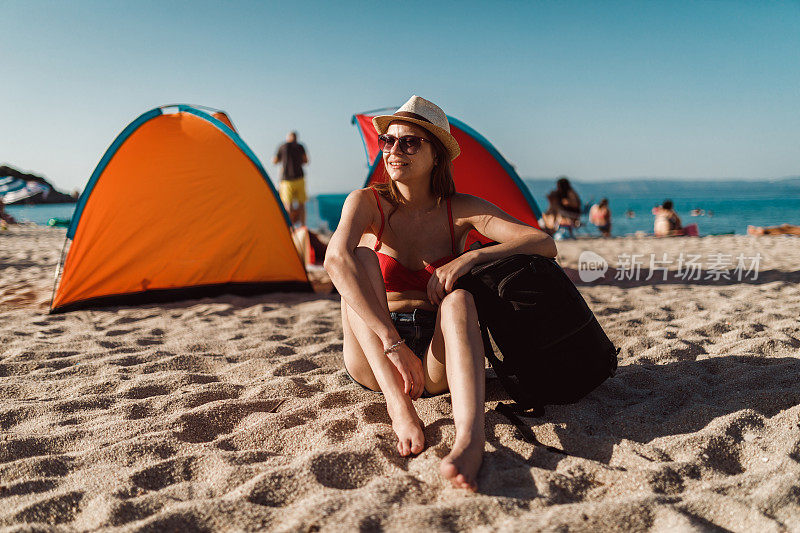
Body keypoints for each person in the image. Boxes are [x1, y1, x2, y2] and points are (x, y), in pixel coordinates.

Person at [324, 96, 556, 491]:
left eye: (410, 142)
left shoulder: (460, 209)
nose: (394, 151)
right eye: (388, 141)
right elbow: (333, 261)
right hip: (376, 353)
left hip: (437, 357)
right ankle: (398, 407)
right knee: (359, 259)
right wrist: (392, 342)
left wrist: (469, 258)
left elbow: (542, 243)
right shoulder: (367, 202)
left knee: (461, 298)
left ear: (436, 156)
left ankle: (470, 438)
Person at [272, 131, 308, 226]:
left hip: (286, 180)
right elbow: (306, 160)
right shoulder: (300, 146)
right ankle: (303, 227)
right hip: (299, 178)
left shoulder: (282, 147)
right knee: (301, 205)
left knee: (288, 205)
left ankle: (291, 228)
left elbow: (274, 161)